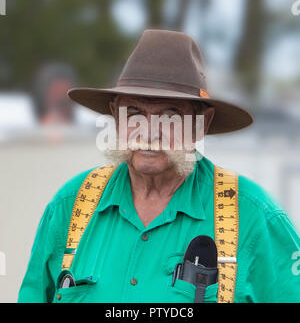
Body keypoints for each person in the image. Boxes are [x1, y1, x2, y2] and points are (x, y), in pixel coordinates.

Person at [18, 29, 300, 303]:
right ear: (116, 116)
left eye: (170, 115)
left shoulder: (252, 216)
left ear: (202, 124)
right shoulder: (71, 205)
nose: (149, 132)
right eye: (135, 113)